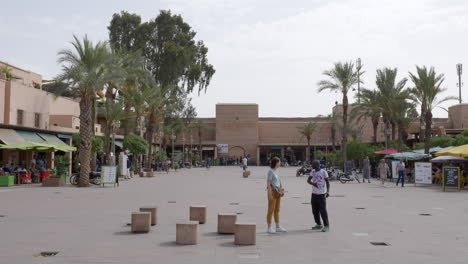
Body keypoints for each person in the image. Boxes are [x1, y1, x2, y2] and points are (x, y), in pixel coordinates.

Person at [308, 160, 330, 232]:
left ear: (317, 165)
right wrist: (313, 184)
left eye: (313, 165)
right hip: (314, 194)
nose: (312, 166)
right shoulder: (313, 171)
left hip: (321, 194)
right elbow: (308, 180)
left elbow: (327, 182)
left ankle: (326, 226)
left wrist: (328, 191)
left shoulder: (324, 172)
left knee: (323, 210)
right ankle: (318, 224)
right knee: (315, 210)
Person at [266, 157, 286, 233]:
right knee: (271, 209)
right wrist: (270, 194)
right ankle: (269, 227)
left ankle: (277, 226)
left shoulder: (276, 171)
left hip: (278, 192)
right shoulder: (270, 171)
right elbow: (268, 183)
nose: (280, 163)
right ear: (276, 162)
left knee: (277, 209)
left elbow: (279, 181)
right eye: (279, 162)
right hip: (273, 191)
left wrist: (281, 189)